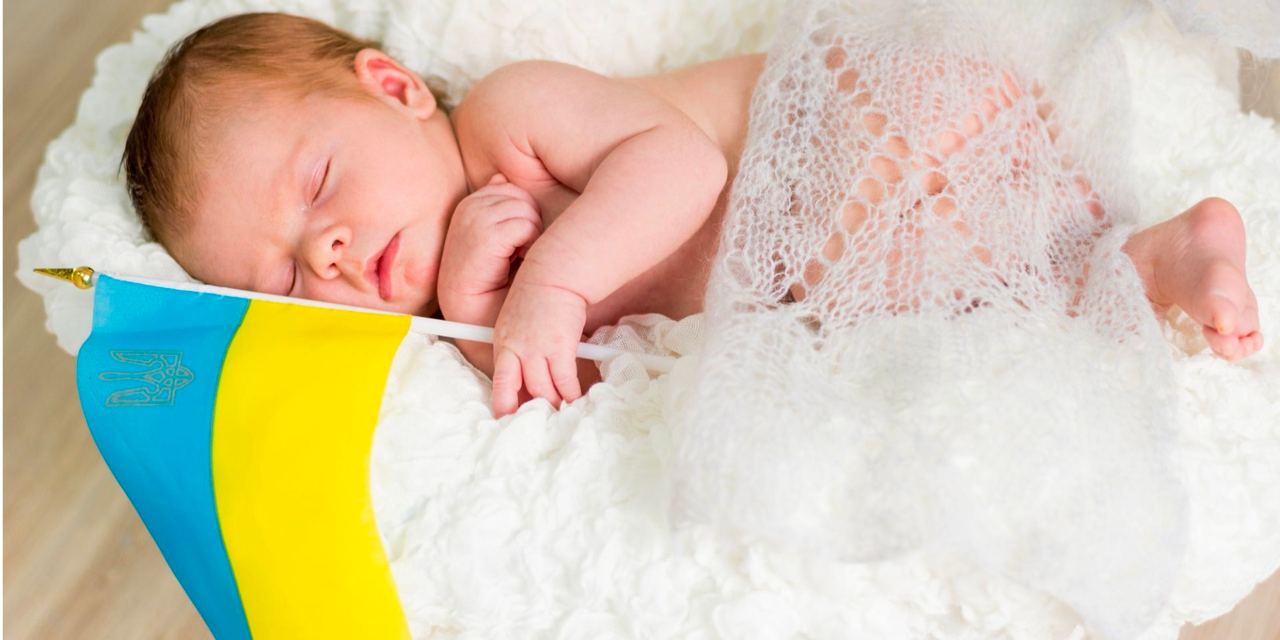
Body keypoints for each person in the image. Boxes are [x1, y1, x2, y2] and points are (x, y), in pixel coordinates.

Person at [122, 12, 1262, 419]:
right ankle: (1166, 251)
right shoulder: (452, 322)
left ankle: (1140, 246)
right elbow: (593, 382)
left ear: (393, 88)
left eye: (317, 185)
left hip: (860, 120)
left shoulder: (507, 119)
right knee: (986, 299)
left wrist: (548, 283)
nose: (322, 249)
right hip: (860, 245)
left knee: (891, 258)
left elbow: (677, 170)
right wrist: (485, 311)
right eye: (281, 275)